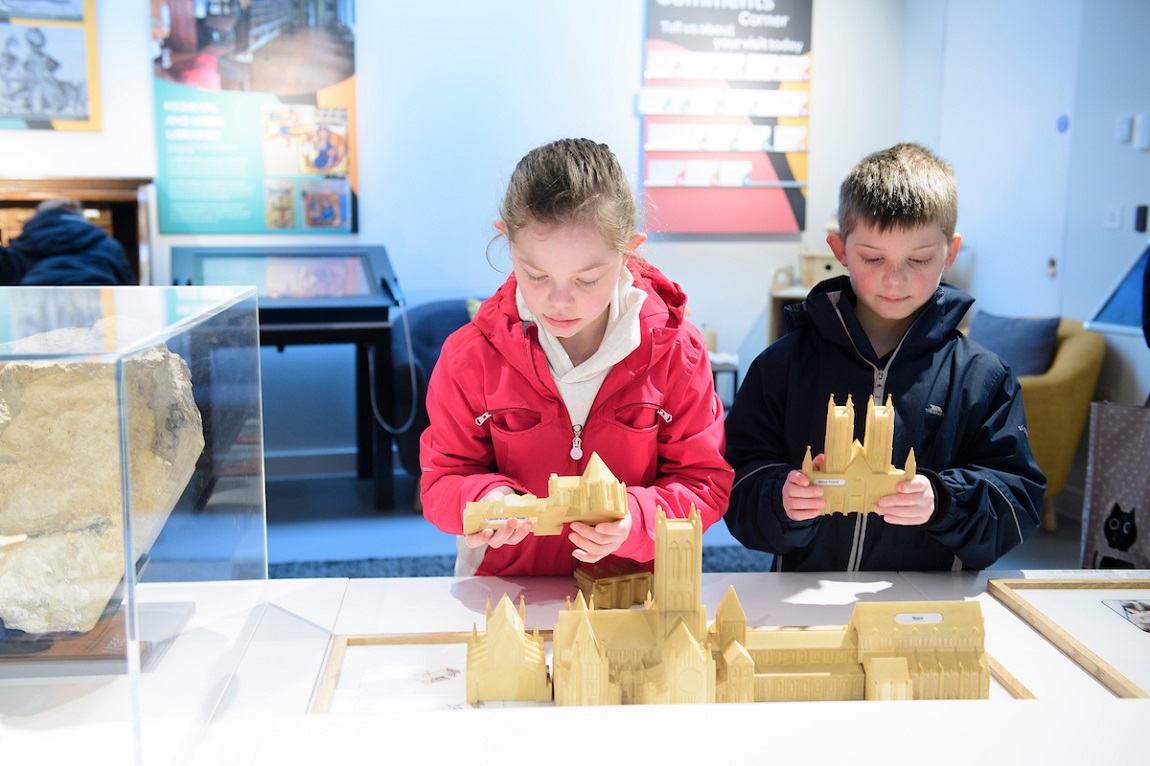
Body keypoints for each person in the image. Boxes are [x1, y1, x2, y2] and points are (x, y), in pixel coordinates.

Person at [420, 137, 733, 577]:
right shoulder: (470, 356)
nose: (559, 301)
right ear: (506, 241)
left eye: (587, 279)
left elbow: (704, 483)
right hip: (509, 592)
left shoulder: (677, 351)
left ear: (628, 251)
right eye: (536, 275)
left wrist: (637, 519)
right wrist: (485, 499)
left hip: (634, 596)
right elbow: (442, 480)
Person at [724, 142, 1044, 572]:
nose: (895, 279)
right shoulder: (782, 366)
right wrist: (780, 497)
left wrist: (945, 501)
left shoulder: (983, 378)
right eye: (873, 258)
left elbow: (1017, 501)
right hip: (803, 600)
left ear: (950, 252)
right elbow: (734, 483)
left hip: (929, 606)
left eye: (919, 259)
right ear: (839, 250)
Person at [8, 198, 136, 286]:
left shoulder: (24, 244)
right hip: (97, 309)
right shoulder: (109, 245)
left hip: (38, 310)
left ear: (39, 216)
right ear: (79, 215)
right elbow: (128, 287)